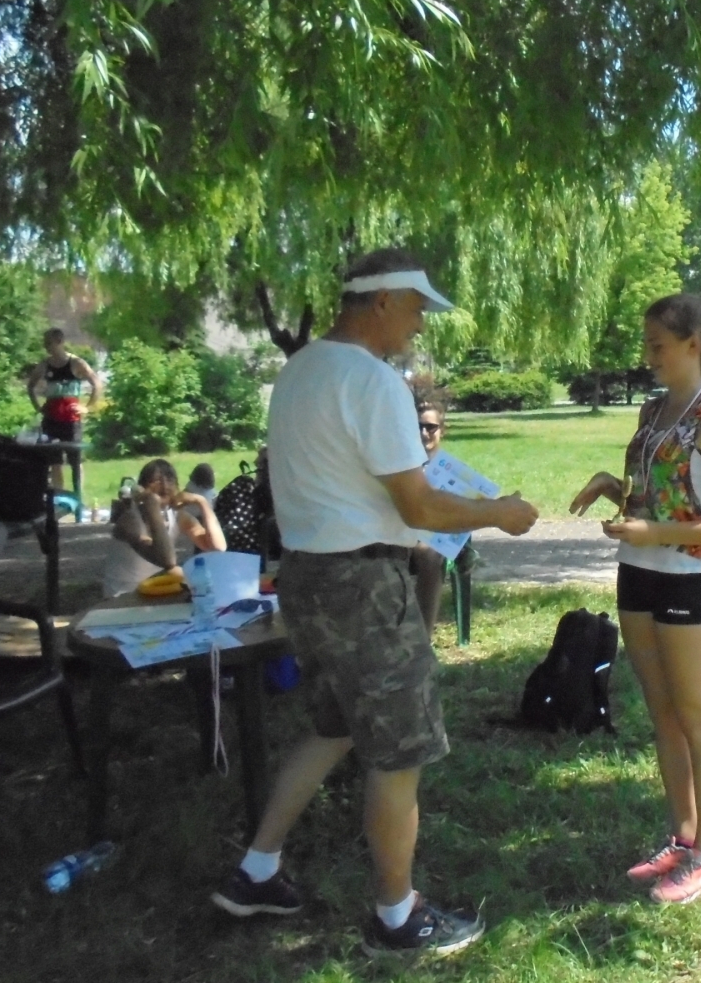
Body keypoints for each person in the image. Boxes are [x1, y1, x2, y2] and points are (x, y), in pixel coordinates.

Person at [210, 248, 538, 958]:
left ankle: (255, 871)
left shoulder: (300, 370)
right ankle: (397, 917)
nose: (419, 325)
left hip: (306, 577)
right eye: (418, 309)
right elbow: (417, 504)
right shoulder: (374, 381)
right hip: (364, 586)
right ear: (384, 300)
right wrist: (498, 511)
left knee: (333, 727)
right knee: (398, 753)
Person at [569, 292, 701, 905]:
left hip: (689, 579)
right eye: (646, 344)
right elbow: (655, 497)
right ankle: (682, 837)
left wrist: (658, 534)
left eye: (658, 345)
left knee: (697, 714)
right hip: (638, 574)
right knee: (663, 715)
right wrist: (614, 489)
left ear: (693, 345)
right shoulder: (653, 413)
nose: (648, 356)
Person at [103, 459, 227, 598]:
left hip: (156, 590)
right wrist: (151, 504)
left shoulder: (177, 516)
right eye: (156, 480)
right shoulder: (130, 519)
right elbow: (166, 560)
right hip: (122, 597)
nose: (165, 486)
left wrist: (202, 502)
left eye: (170, 480)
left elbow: (218, 547)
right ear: (143, 488)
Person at [25, 328, 102, 493]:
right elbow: (31, 386)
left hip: (71, 420)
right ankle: (58, 498)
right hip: (51, 420)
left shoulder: (76, 363)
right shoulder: (44, 365)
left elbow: (97, 383)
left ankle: (78, 497)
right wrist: (38, 407)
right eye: (44, 343)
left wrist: (87, 407)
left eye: (49, 343)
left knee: (75, 461)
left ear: (60, 342)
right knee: (55, 462)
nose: (46, 347)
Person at [409, 393, 447, 628]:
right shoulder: (401, 461)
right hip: (398, 527)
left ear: (442, 429)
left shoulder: (448, 469)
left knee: (430, 554)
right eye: (418, 427)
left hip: (431, 533)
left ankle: (425, 633)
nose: (424, 433)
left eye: (430, 427)